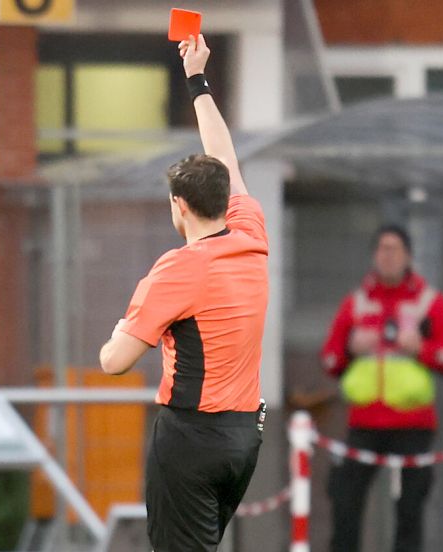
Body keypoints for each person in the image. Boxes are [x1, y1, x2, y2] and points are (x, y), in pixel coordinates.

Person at [98, 34, 268, 551]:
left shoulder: (177, 269)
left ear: (179, 205)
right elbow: (227, 160)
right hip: (245, 435)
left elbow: (114, 362)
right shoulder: (250, 233)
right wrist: (198, 81)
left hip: (193, 435)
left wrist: (120, 326)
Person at [321, 224, 443, 552]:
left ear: (408, 256)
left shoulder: (431, 303)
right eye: (382, 249)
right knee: (345, 501)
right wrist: (351, 348)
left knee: (410, 511)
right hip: (364, 425)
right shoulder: (357, 303)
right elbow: (330, 360)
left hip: (414, 426)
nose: (387, 256)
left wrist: (421, 348)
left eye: (394, 249)